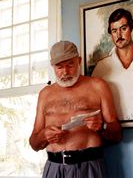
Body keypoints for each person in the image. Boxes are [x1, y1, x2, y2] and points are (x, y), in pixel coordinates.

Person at [29, 41, 122, 178]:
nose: (65, 72)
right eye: (59, 67)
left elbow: (117, 135)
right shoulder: (45, 94)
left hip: (89, 167)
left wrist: (101, 127)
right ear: (52, 66)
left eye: (70, 65)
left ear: (79, 61)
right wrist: (44, 135)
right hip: (54, 168)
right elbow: (34, 143)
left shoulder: (98, 86)